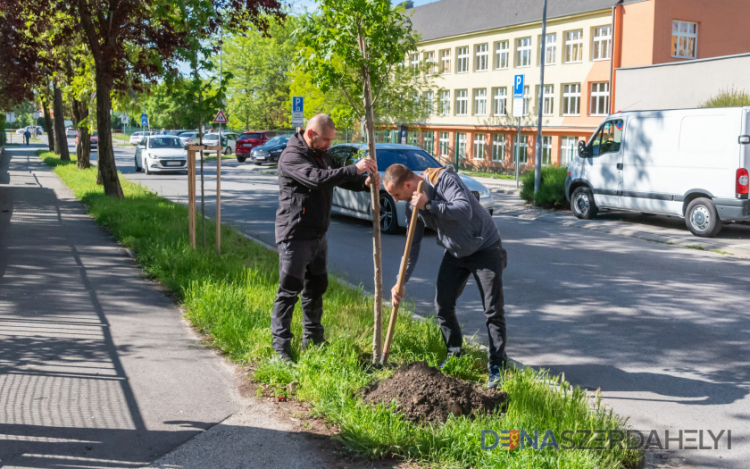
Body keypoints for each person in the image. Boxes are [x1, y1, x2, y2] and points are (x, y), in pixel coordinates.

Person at [384, 163, 508, 388]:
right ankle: (455, 353)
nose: (395, 200)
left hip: (485, 248)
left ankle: (498, 365)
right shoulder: (413, 207)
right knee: (442, 304)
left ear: (408, 184)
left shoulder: (443, 180)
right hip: (456, 251)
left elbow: (464, 209)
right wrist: (400, 282)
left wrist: (429, 204)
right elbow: (411, 246)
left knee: (493, 310)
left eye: (396, 194)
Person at [271, 114, 380, 363]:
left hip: (318, 235)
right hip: (295, 235)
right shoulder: (292, 156)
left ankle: (313, 339)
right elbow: (317, 179)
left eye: (332, 140)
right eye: (326, 140)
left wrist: (364, 181)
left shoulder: (321, 154)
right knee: (289, 291)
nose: (329, 145)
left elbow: (338, 176)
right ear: (311, 134)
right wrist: (355, 167)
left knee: (316, 288)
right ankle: (280, 350)